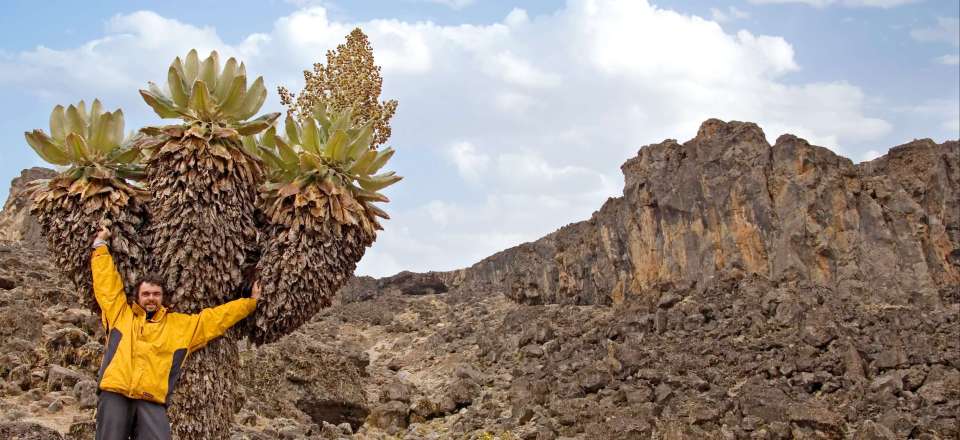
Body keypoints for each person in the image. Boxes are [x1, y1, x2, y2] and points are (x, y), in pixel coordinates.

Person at [90, 225, 260, 440]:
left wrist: (249, 303)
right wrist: (100, 245)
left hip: (151, 398)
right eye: (146, 294)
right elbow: (106, 284)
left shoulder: (179, 326)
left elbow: (215, 319)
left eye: (156, 294)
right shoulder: (120, 314)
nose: (151, 298)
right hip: (115, 392)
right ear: (137, 297)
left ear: (163, 298)